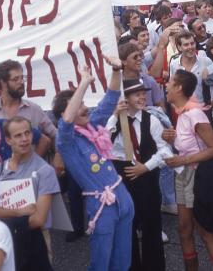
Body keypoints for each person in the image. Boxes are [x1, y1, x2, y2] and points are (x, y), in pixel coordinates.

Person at [53, 60, 135, 271]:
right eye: (79, 104)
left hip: (122, 197)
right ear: (64, 114)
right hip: (101, 205)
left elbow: (111, 97)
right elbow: (69, 119)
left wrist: (117, 70)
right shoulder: (66, 141)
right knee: (101, 263)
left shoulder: (94, 123)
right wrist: (84, 82)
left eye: (83, 103)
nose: (84, 107)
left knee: (123, 261)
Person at [162, 70, 213, 271]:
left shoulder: (195, 114)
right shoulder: (181, 111)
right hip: (183, 174)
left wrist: (183, 159)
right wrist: (171, 139)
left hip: (199, 176)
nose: (165, 85)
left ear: (178, 88)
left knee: (205, 230)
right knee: (184, 229)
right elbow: (189, 144)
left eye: (169, 82)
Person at [106, 79, 173, 271]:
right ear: (125, 98)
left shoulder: (151, 119)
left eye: (143, 93)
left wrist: (146, 167)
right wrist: (114, 116)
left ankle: (155, 267)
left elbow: (165, 151)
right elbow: (103, 147)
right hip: (121, 176)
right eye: (136, 94)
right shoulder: (114, 120)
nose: (142, 97)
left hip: (146, 175)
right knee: (126, 227)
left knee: (151, 224)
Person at [0, 116, 60, 270]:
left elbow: (38, 219)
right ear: (8, 140)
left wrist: (4, 216)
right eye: (18, 135)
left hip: (36, 240)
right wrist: (20, 211)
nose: (24, 139)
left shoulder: (45, 171)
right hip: (6, 239)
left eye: (27, 133)